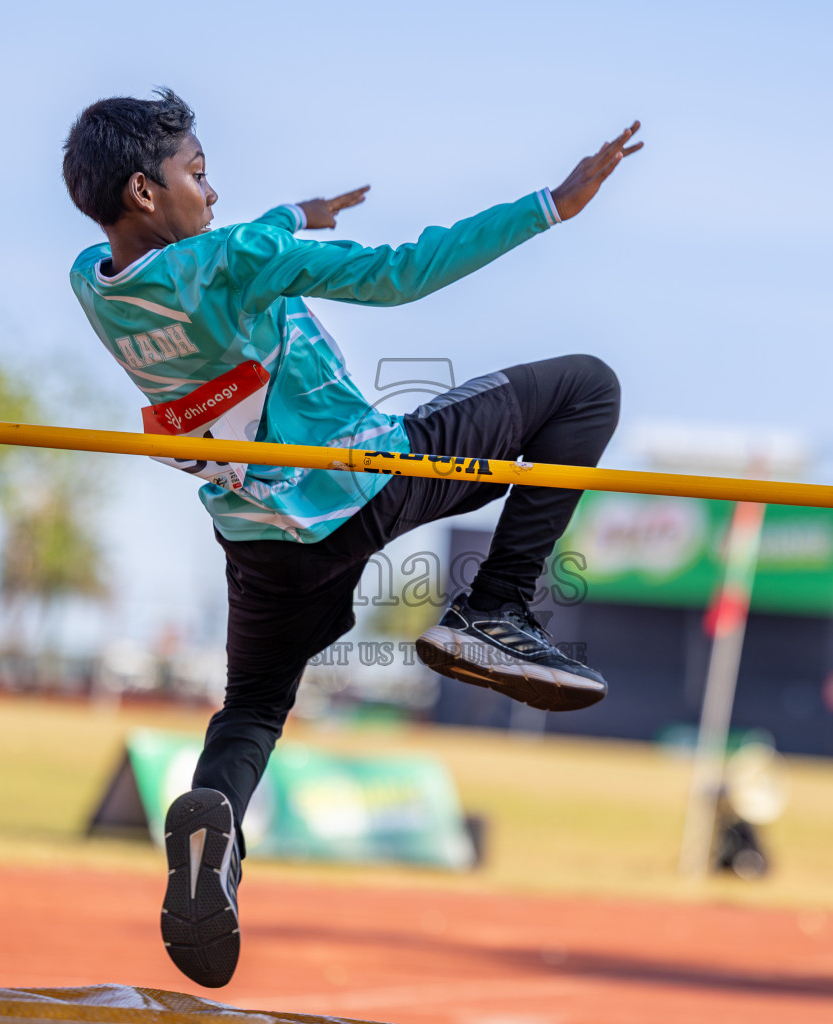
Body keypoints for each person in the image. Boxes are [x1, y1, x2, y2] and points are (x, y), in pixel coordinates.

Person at [62, 89, 640, 988]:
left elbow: (213, 252)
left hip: (259, 538)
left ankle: (215, 823)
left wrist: (295, 216)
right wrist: (552, 204)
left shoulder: (93, 284)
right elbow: (401, 273)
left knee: (254, 709)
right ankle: (493, 609)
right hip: (364, 482)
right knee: (585, 389)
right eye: (198, 174)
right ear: (144, 189)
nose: (212, 192)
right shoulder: (234, 258)